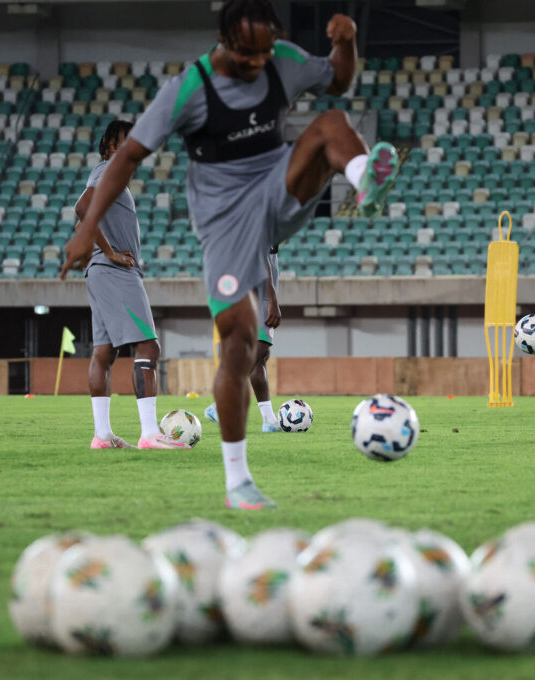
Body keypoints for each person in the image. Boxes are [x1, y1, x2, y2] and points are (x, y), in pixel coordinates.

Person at [60, 0, 399, 508]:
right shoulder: (189, 88)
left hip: (278, 196)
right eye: (248, 54)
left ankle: (363, 183)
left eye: (265, 52)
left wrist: (345, 42)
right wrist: (88, 230)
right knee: (238, 343)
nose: (258, 63)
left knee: (330, 122)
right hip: (225, 226)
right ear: (225, 43)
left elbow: (338, 80)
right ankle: (238, 481)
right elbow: (129, 155)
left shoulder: (279, 58)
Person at [68, 119, 191, 451]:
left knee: (104, 353)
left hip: (98, 270)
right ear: (110, 144)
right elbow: (82, 208)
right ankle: (150, 434)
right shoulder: (108, 169)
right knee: (148, 347)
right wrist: (110, 252)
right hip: (113, 270)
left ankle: (102, 436)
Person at [204, 244, 281, 432]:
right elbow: (262, 259)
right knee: (260, 349)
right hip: (261, 292)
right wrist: (272, 299)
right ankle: (220, 403)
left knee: (259, 359)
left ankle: (269, 420)